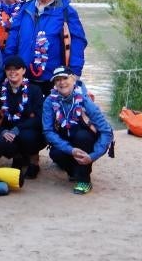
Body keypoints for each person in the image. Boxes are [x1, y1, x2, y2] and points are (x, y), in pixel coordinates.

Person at [5, 0, 87, 96]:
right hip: (24, 77)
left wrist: (75, 71)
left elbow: (78, 42)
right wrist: (8, 64)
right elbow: (13, 37)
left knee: (51, 114)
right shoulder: (25, 9)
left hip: (54, 79)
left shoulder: (67, 12)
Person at [42, 66, 113, 195]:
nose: (61, 82)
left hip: (84, 140)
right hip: (66, 142)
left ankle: (84, 179)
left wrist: (92, 156)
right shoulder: (49, 101)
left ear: (73, 79)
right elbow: (48, 131)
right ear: (54, 84)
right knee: (55, 154)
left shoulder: (85, 100)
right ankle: (74, 171)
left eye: (65, 78)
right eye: (57, 80)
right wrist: (71, 150)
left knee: (82, 137)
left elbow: (107, 131)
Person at [0, 55, 46, 179]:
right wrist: (3, 131)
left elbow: (39, 118)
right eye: (9, 69)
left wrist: (18, 129)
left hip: (27, 130)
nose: (12, 72)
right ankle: (17, 158)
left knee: (28, 136)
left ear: (23, 70)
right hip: (7, 131)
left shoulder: (35, 90)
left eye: (16, 68)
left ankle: (33, 161)